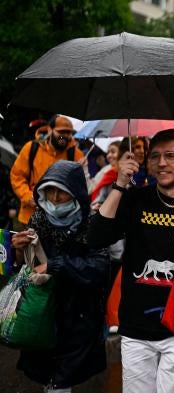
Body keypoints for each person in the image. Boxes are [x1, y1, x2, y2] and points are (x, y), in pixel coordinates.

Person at [87, 129, 174, 393]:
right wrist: (120, 184)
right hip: (136, 329)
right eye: (155, 156)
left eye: (170, 155)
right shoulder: (135, 199)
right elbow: (96, 237)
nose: (162, 163)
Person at [11, 160, 109, 392]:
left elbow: (98, 269)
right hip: (44, 312)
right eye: (49, 191)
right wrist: (17, 249)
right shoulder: (39, 219)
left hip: (80, 316)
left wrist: (55, 265)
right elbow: (26, 266)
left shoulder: (91, 224)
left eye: (62, 193)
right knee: (49, 377)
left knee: (62, 380)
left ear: (75, 193)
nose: (54, 199)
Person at [10, 115, 84, 229]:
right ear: (49, 130)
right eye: (61, 132)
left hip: (61, 221)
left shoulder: (76, 154)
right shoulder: (31, 148)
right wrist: (28, 196)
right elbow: (17, 176)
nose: (65, 136)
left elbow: (81, 187)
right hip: (29, 216)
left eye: (69, 133)